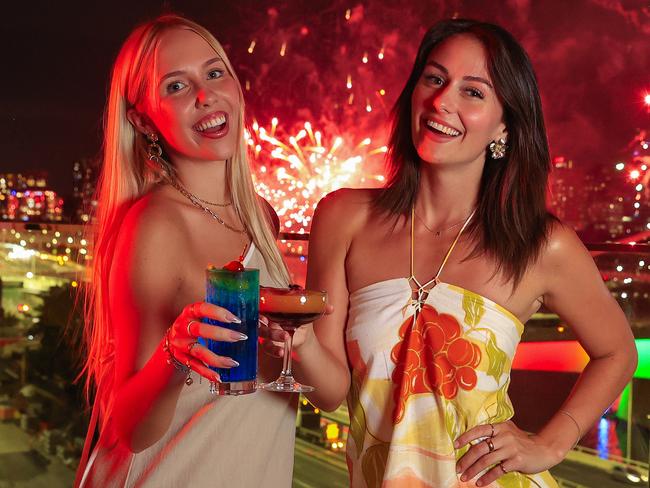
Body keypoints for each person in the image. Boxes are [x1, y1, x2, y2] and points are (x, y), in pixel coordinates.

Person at [290, 19, 638, 487]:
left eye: (472, 92)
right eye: (434, 79)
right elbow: (331, 395)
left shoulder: (541, 244)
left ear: (505, 125)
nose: (442, 101)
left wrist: (549, 444)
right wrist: (300, 343)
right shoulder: (343, 217)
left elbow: (618, 351)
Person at [75, 15, 297, 487]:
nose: (204, 93)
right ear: (142, 120)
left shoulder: (263, 216)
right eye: (176, 86)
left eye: (215, 73)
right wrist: (173, 355)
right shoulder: (154, 225)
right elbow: (131, 429)